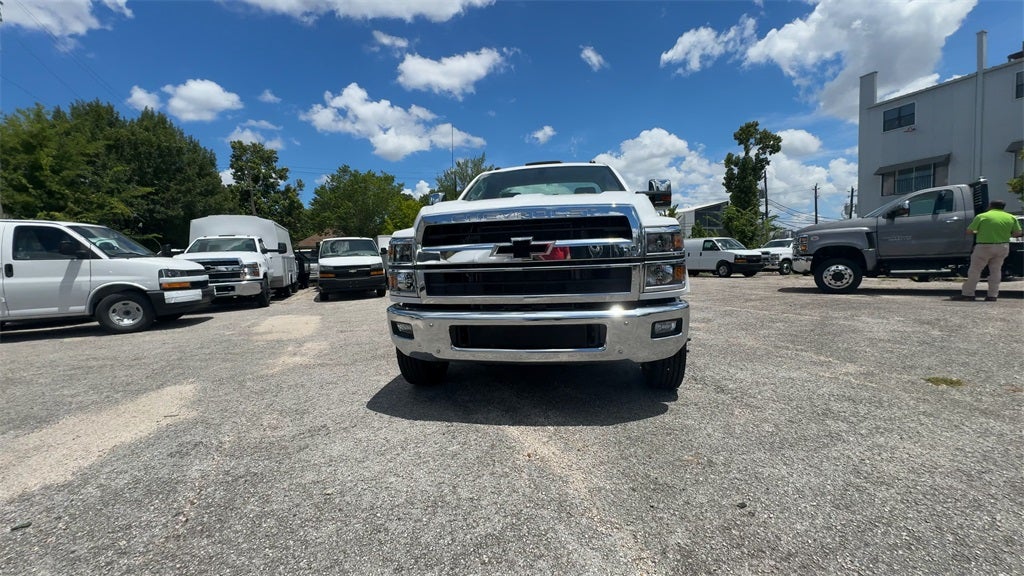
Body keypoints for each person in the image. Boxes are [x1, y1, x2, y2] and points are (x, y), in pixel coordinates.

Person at [952, 200, 1023, 301]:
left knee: (975, 271)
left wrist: (979, 231)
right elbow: (1017, 233)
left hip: (984, 247)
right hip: (1002, 246)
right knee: (996, 271)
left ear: (990, 206)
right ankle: (992, 295)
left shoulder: (982, 216)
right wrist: (1005, 234)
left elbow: (970, 231)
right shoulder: (1011, 217)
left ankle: (968, 294)